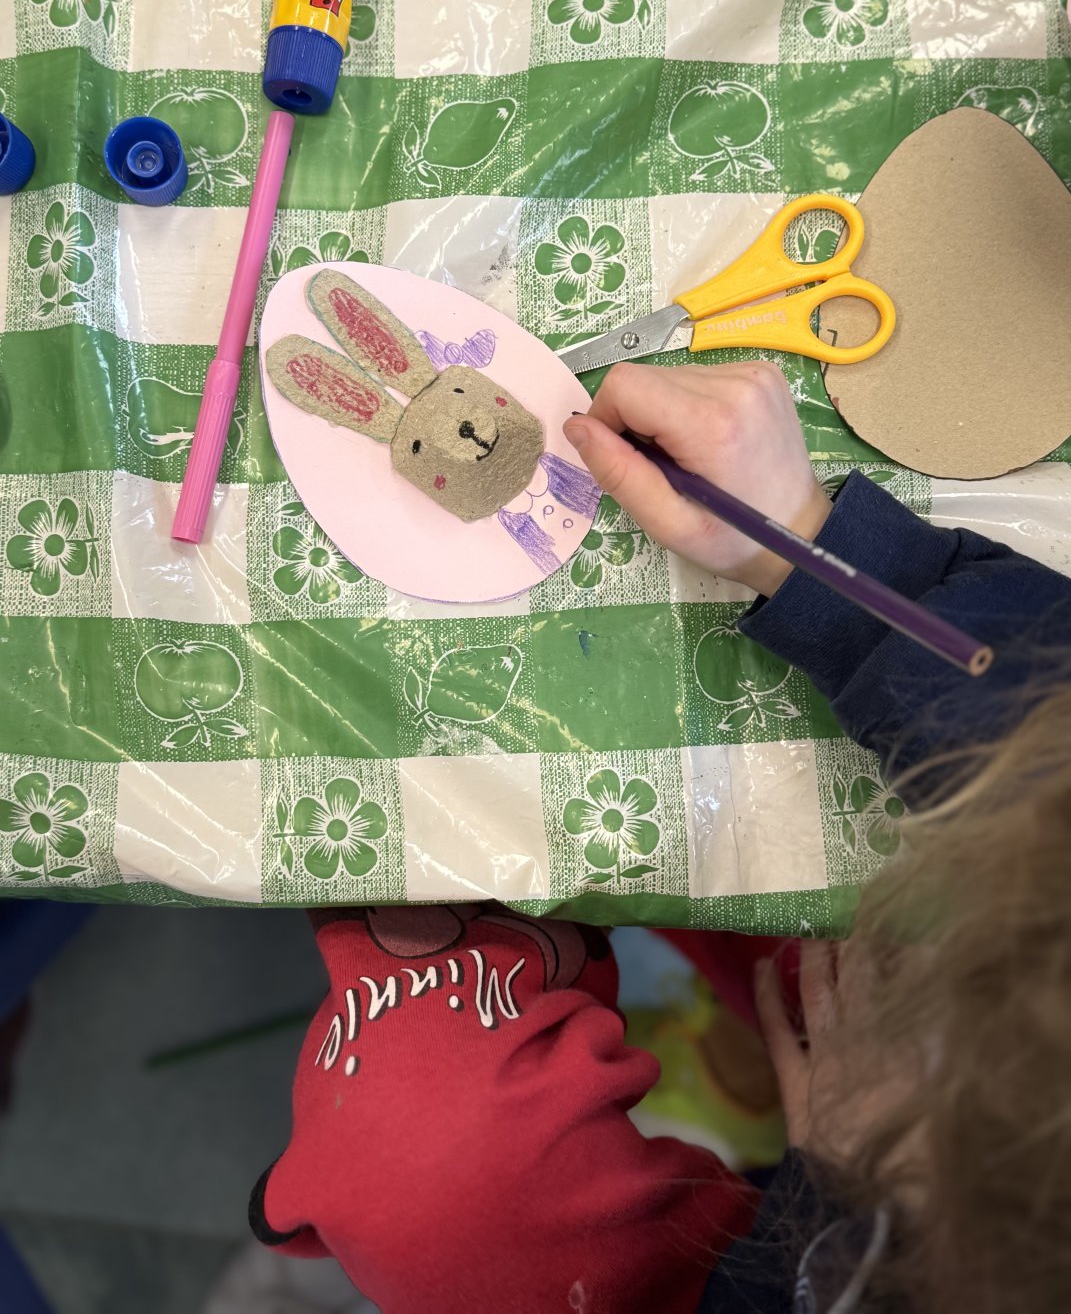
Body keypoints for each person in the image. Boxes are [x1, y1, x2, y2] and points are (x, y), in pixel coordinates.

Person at [249, 362, 1071, 1314]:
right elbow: (1032, 710)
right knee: (777, 945)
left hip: (850, 1249)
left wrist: (853, 1196)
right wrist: (813, 550)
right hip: (917, 1068)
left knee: (415, 1184)